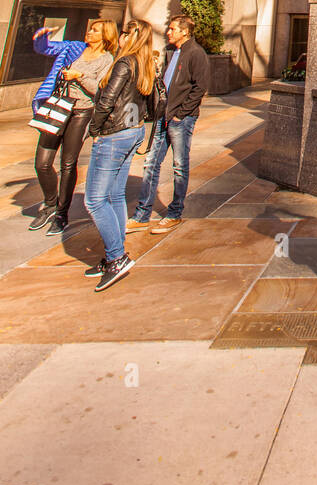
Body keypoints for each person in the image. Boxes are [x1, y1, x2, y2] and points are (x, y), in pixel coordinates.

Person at [84, 19, 157, 291]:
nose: (121, 36)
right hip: (133, 131)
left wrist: (94, 128)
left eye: (125, 32)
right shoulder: (145, 63)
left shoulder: (125, 63)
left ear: (131, 36)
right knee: (115, 195)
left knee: (94, 200)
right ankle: (115, 251)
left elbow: (107, 100)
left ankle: (116, 257)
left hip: (114, 133)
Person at [32, 20, 118, 235]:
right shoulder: (75, 48)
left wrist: (80, 76)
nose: (89, 32)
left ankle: (62, 212)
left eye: (95, 30)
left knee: (68, 164)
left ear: (105, 36)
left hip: (81, 112)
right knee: (42, 163)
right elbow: (47, 48)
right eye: (90, 29)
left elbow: (99, 90)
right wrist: (42, 36)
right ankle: (50, 202)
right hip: (58, 107)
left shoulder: (107, 60)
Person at [127, 15, 209, 235]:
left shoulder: (196, 53)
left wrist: (181, 115)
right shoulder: (173, 53)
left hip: (180, 119)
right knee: (151, 164)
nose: (168, 32)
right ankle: (142, 214)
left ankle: (174, 213)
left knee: (179, 166)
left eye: (173, 29)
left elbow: (200, 87)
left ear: (185, 31)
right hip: (163, 117)